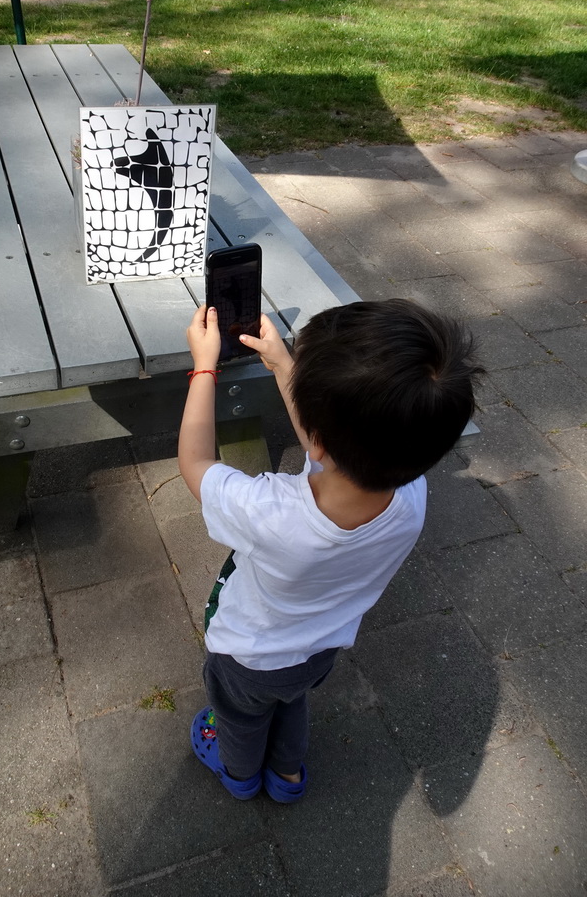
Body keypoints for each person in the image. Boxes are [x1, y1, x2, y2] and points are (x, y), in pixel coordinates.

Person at [178, 298, 483, 803]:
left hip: (246, 657)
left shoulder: (270, 513)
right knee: (292, 702)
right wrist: (283, 366)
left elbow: (195, 462)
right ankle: (288, 776)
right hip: (317, 651)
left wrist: (204, 367)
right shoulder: (410, 491)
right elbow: (333, 449)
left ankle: (240, 773)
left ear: (316, 439)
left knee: (239, 717)